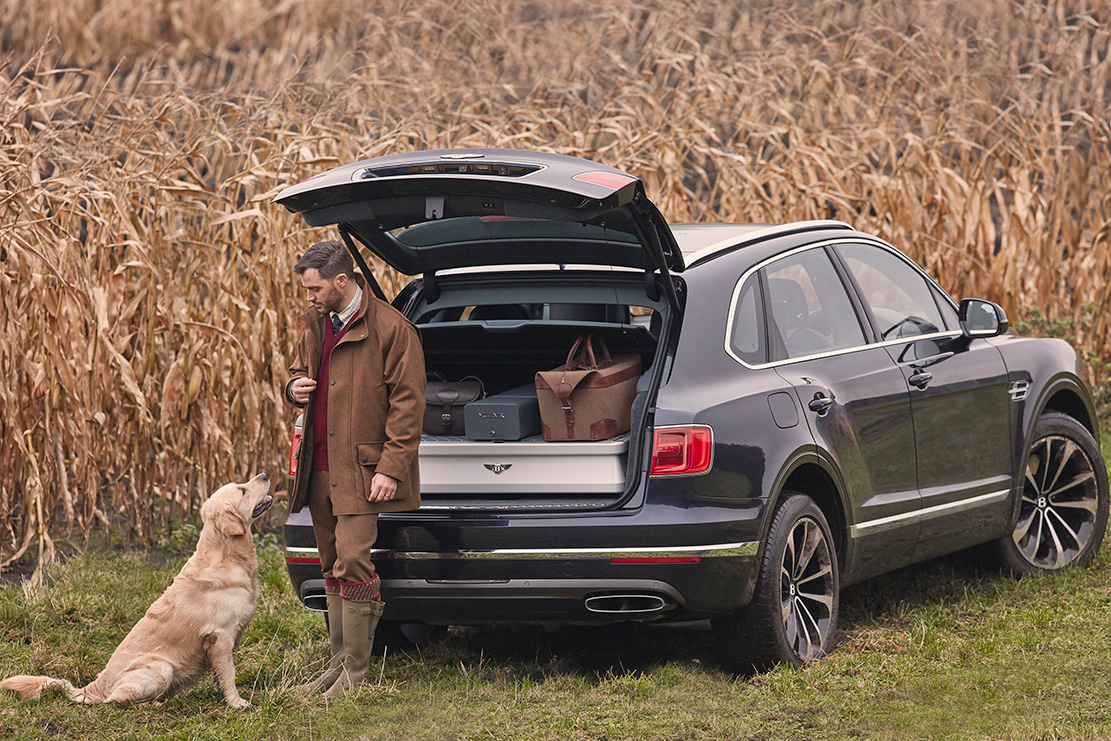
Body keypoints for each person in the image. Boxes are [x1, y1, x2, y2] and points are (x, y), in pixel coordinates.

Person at [285, 240, 425, 699]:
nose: (309, 296)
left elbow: (408, 405)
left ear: (341, 282)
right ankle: (337, 664)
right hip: (318, 465)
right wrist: (293, 388)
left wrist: (392, 468)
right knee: (329, 563)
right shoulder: (316, 323)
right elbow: (296, 370)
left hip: (364, 470)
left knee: (353, 561)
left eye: (315, 288)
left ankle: (356, 676)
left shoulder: (392, 328)